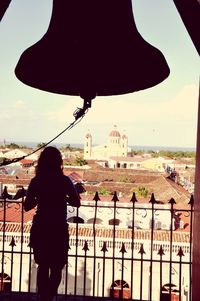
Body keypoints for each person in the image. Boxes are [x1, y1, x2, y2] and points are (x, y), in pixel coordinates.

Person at [24, 146, 80, 301]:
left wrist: (40, 197)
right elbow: (76, 203)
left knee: (42, 266)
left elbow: (27, 206)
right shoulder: (64, 181)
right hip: (58, 227)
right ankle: (49, 295)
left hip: (41, 226)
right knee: (56, 267)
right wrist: (63, 198)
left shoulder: (37, 181)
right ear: (59, 162)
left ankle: (43, 297)